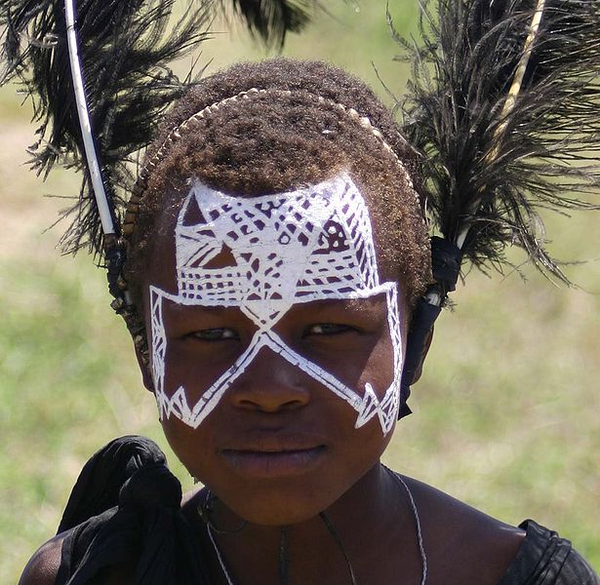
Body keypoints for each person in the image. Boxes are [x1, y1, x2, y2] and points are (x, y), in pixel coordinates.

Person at [4, 2, 599, 584]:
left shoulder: (514, 573)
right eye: (212, 333)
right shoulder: (99, 571)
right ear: (147, 350)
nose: (268, 391)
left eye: (328, 329)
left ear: (413, 338)